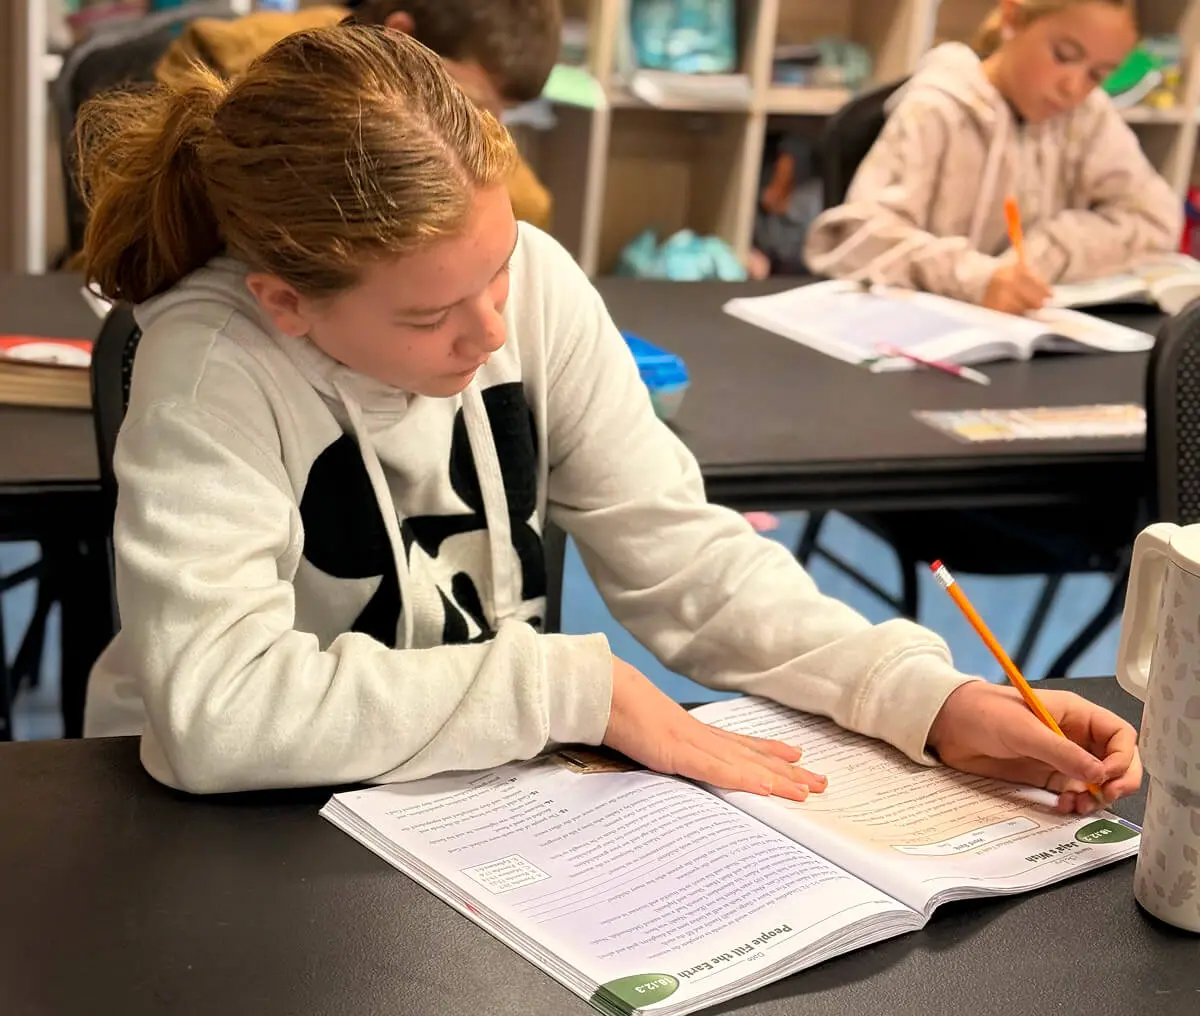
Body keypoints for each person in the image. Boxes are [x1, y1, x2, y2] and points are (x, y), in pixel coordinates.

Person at [78, 26, 1141, 810]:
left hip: (463, 796)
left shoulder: (533, 280)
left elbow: (681, 555)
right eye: (431, 313)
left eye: (494, 274)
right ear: (287, 302)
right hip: (221, 830)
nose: (492, 330)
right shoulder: (210, 359)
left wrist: (924, 695)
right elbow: (213, 714)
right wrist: (568, 685)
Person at [804, 0, 1182, 315]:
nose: (1074, 87)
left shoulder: (1087, 116)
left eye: (1098, 75)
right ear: (1012, 19)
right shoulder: (937, 108)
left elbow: (1157, 217)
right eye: (1064, 56)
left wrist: (1049, 249)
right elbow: (854, 237)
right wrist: (974, 277)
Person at [154, 0, 557, 229]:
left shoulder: (523, 203)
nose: (485, 127)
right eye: (470, 101)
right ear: (402, 36)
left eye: (507, 115)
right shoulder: (220, 67)